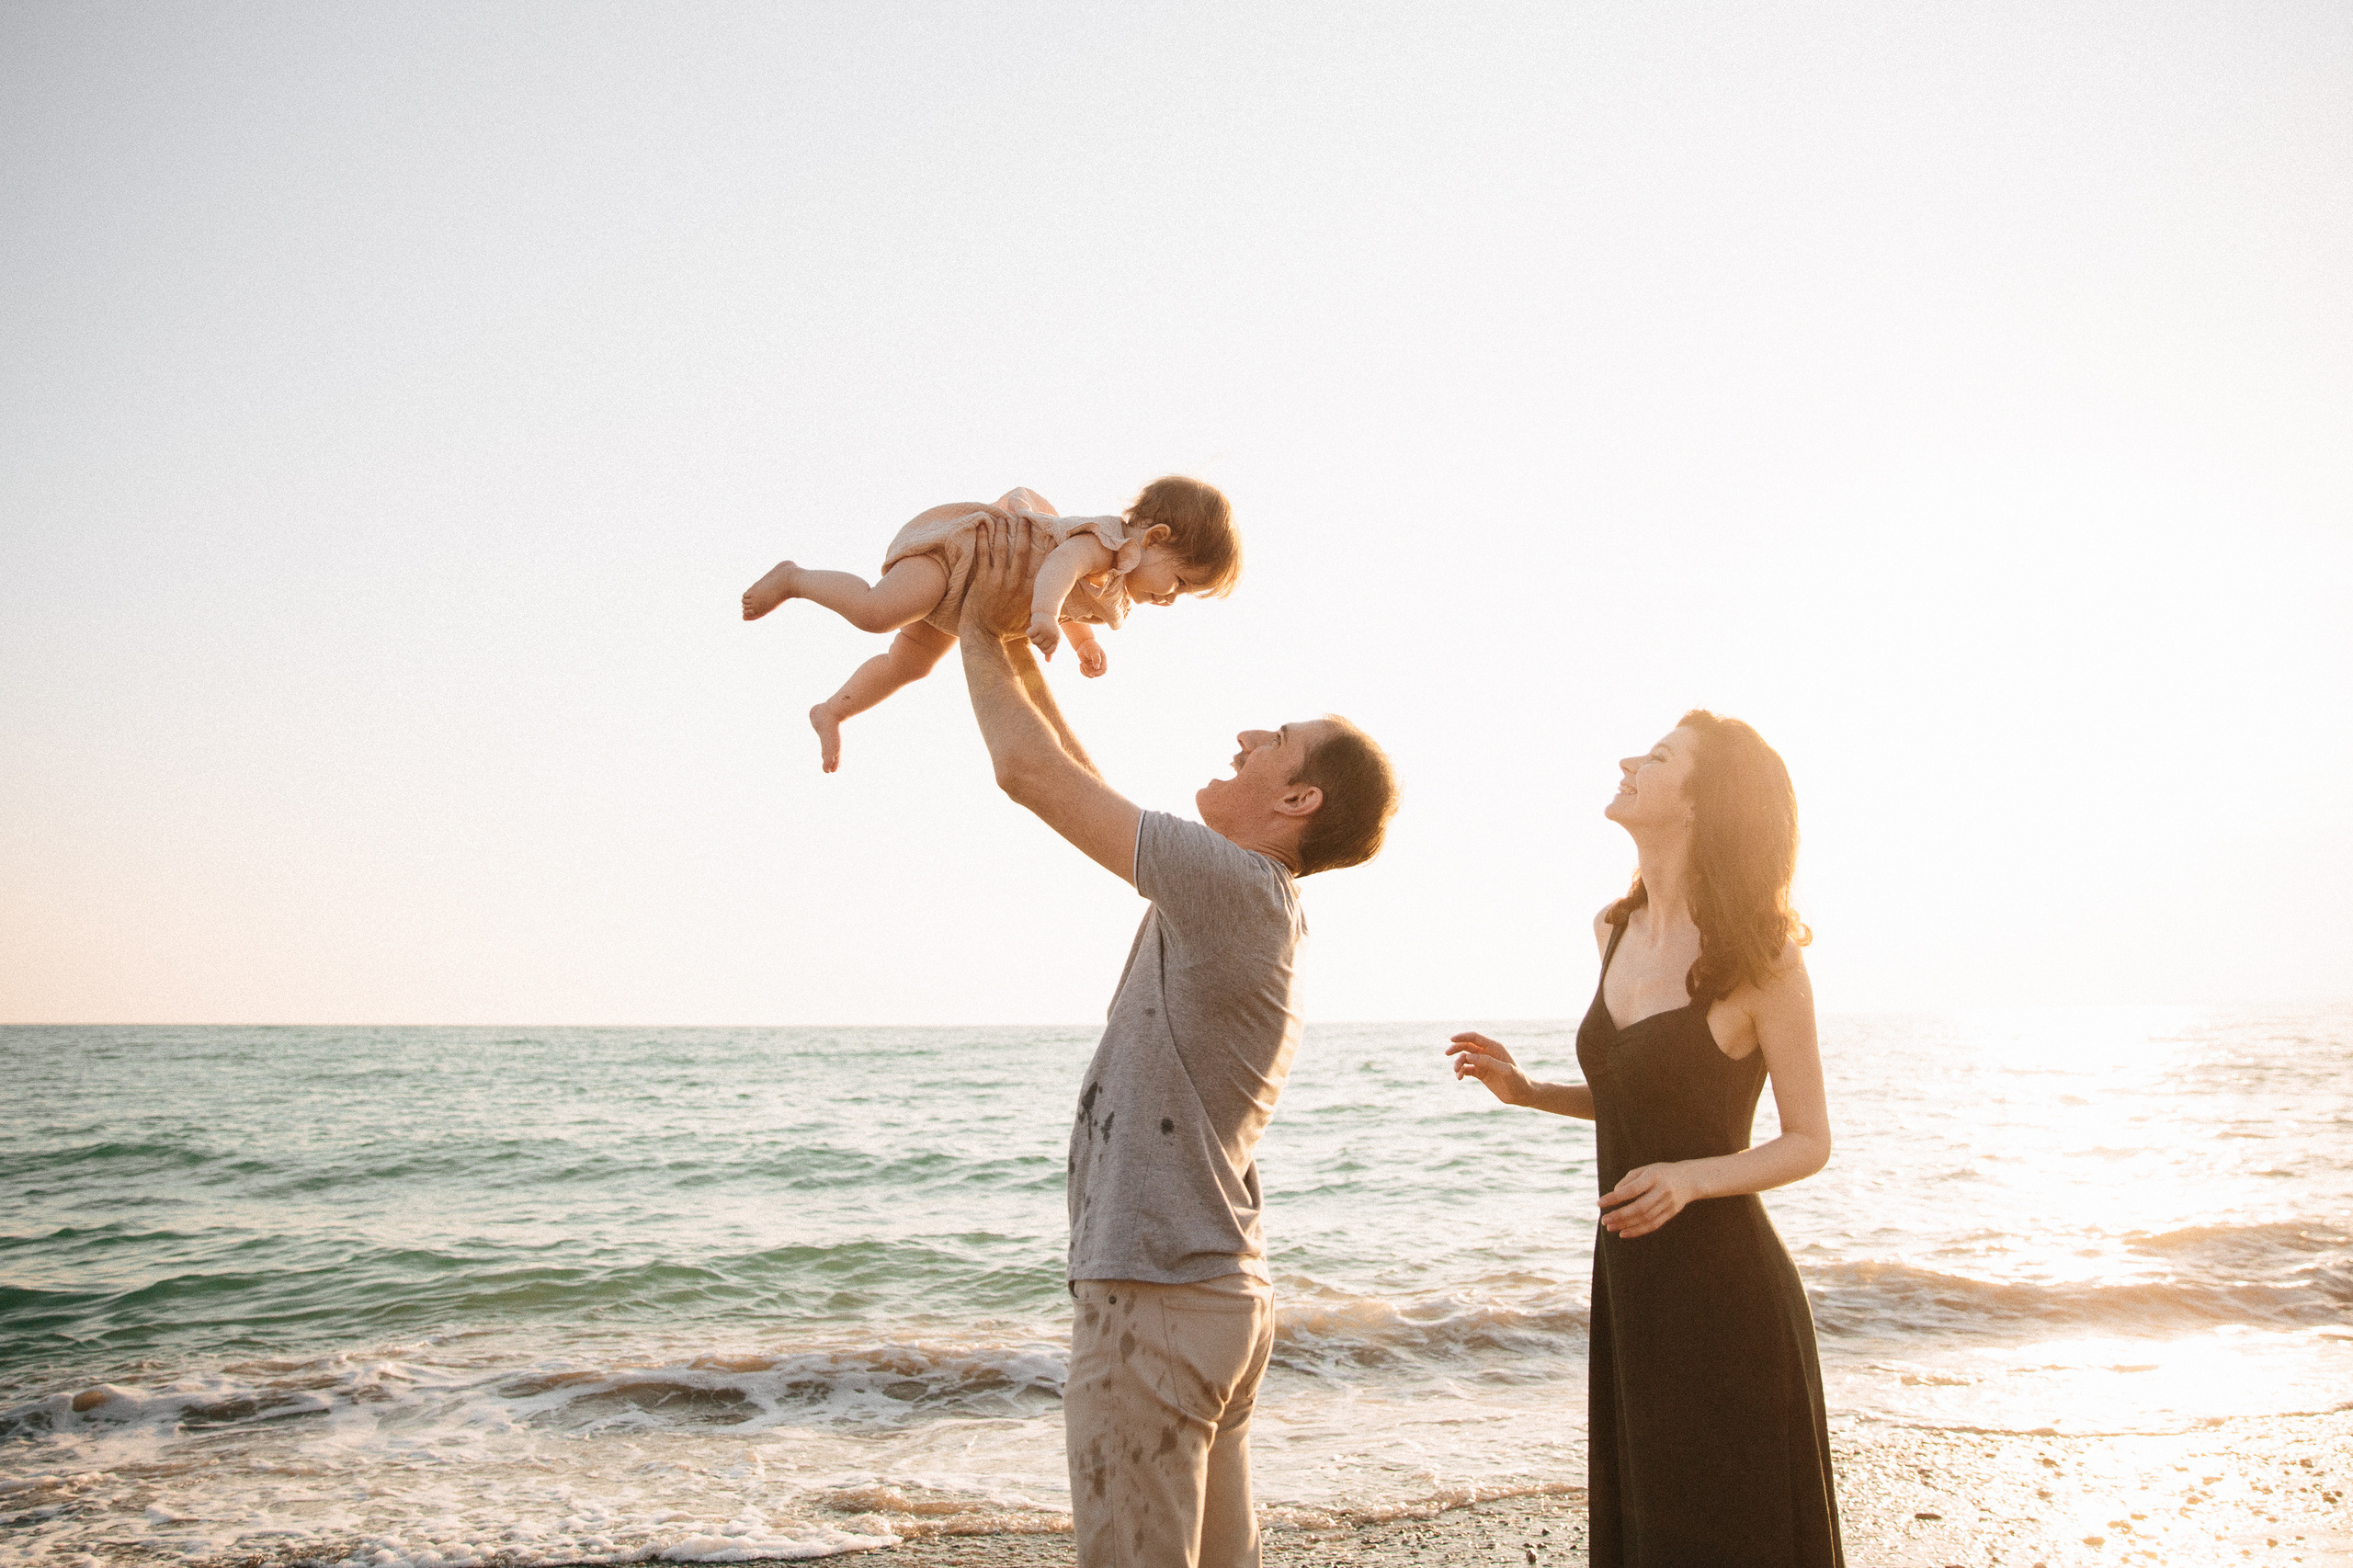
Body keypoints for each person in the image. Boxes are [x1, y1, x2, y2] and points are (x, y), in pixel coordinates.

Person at [954, 517, 1397, 1568]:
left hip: (1155, 1297)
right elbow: (1074, 773)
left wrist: (974, 615)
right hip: (1212, 1294)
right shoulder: (1235, 897)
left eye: (1273, 741)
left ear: (1297, 800)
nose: (1246, 734)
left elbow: (1028, 773)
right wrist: (1022, 639)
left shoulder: (1234, 888)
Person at [1447, 711, 1842, 1567]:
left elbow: (1809, 1141)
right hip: (1631, 1284)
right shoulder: (1612, 930)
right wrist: (1529, 1092)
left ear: (1705, 804)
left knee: (1737, 1533)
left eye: (1659, 757)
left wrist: (1693, 1181)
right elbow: (1647, 1099)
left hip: (1729, 1296)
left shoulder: (1763, 958)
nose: (1629, 760)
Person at [740, 477, 1241, 771]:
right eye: (1178, 582)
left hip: (965, 601)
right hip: (960, 556)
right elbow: (1061, 569)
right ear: (1153, 537)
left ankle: (832, 711)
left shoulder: (1115, 582)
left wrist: (1082, 640)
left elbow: (1073, 602)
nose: (1172, 599)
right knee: (877, 612)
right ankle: (795, 578)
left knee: (910, 665)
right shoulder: (1104, 542)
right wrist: (1043, 614)